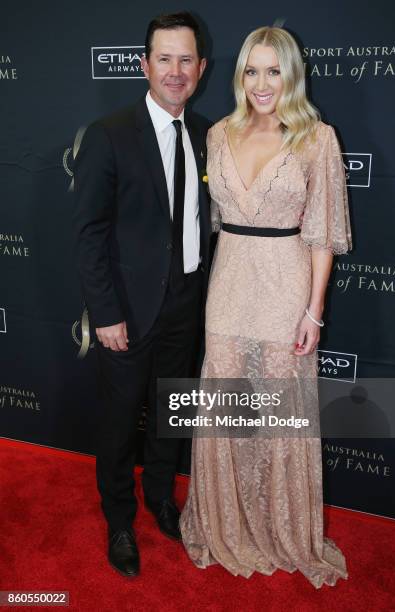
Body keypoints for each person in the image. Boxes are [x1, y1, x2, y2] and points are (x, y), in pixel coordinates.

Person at [180, 26, 352, 588]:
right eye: (252, 70)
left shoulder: (316, 138)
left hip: (286, 288)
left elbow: (323, 235)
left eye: (273, 71)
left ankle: (282, 528)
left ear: (291, 76)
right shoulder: (218, 134)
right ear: (238, 77)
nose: (261, 83)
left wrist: (314, 310)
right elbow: (207, 221)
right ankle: (226, 521)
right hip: (228, 287)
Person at [73, 12, 211, 578]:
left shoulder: (207, 135)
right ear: (144, 64)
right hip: (126, 309)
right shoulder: (109, 134)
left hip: (187, 301)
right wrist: (104, 313)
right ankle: (120, 520)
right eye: (164, 59)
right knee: (119, 418)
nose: (175, 71)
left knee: (171, 412)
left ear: (200, 69)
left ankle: (160, 499)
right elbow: (88, 234)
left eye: (186, 60)